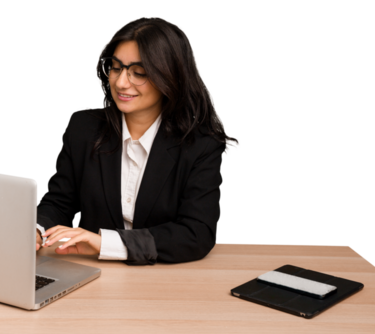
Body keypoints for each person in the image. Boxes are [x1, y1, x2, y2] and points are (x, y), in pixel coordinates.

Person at [35, 14, 240, 265]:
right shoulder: (83, 127)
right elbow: (59, 202)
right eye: (116, 67)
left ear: (171, 76)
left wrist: (106, 244)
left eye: (139, 72)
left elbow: (195, 234)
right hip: (93, 275)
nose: (121, 82)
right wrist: (36, 230)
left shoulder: (200, 143)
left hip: (168, 281)